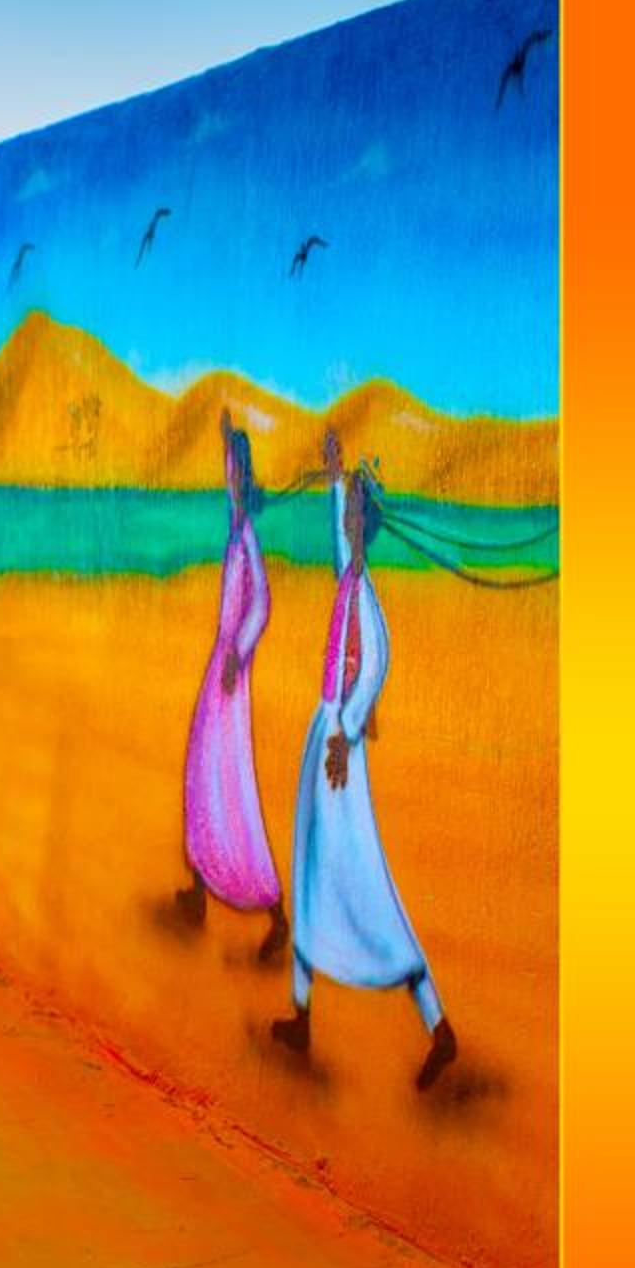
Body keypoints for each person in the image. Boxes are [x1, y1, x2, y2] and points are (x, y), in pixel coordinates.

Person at [273, 431, 458, 1088]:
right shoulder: (349, 577)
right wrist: (333, 477)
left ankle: (437, 1024)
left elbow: (375, 666)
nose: (348, 518)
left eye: (354, 508)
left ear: (365, 524)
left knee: (361, 879)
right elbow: (336, 541)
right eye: (347, 509)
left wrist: (345, 735)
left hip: (337, 751)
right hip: (326, 734)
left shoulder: (367, 601)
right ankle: (301, 1014)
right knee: (309, 864)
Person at [173, 409, 288, 960]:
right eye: (230, 471)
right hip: (222, 664)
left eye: (237, 472)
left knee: (227, 782)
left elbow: (261, 603)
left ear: (245, 479)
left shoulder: (246, 538)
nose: (230, 481)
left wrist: (237, 653)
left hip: (229, 672)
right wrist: (227, 441)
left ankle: (272, 910)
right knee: (203, 773)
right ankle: (199, 887)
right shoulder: (235, 526)